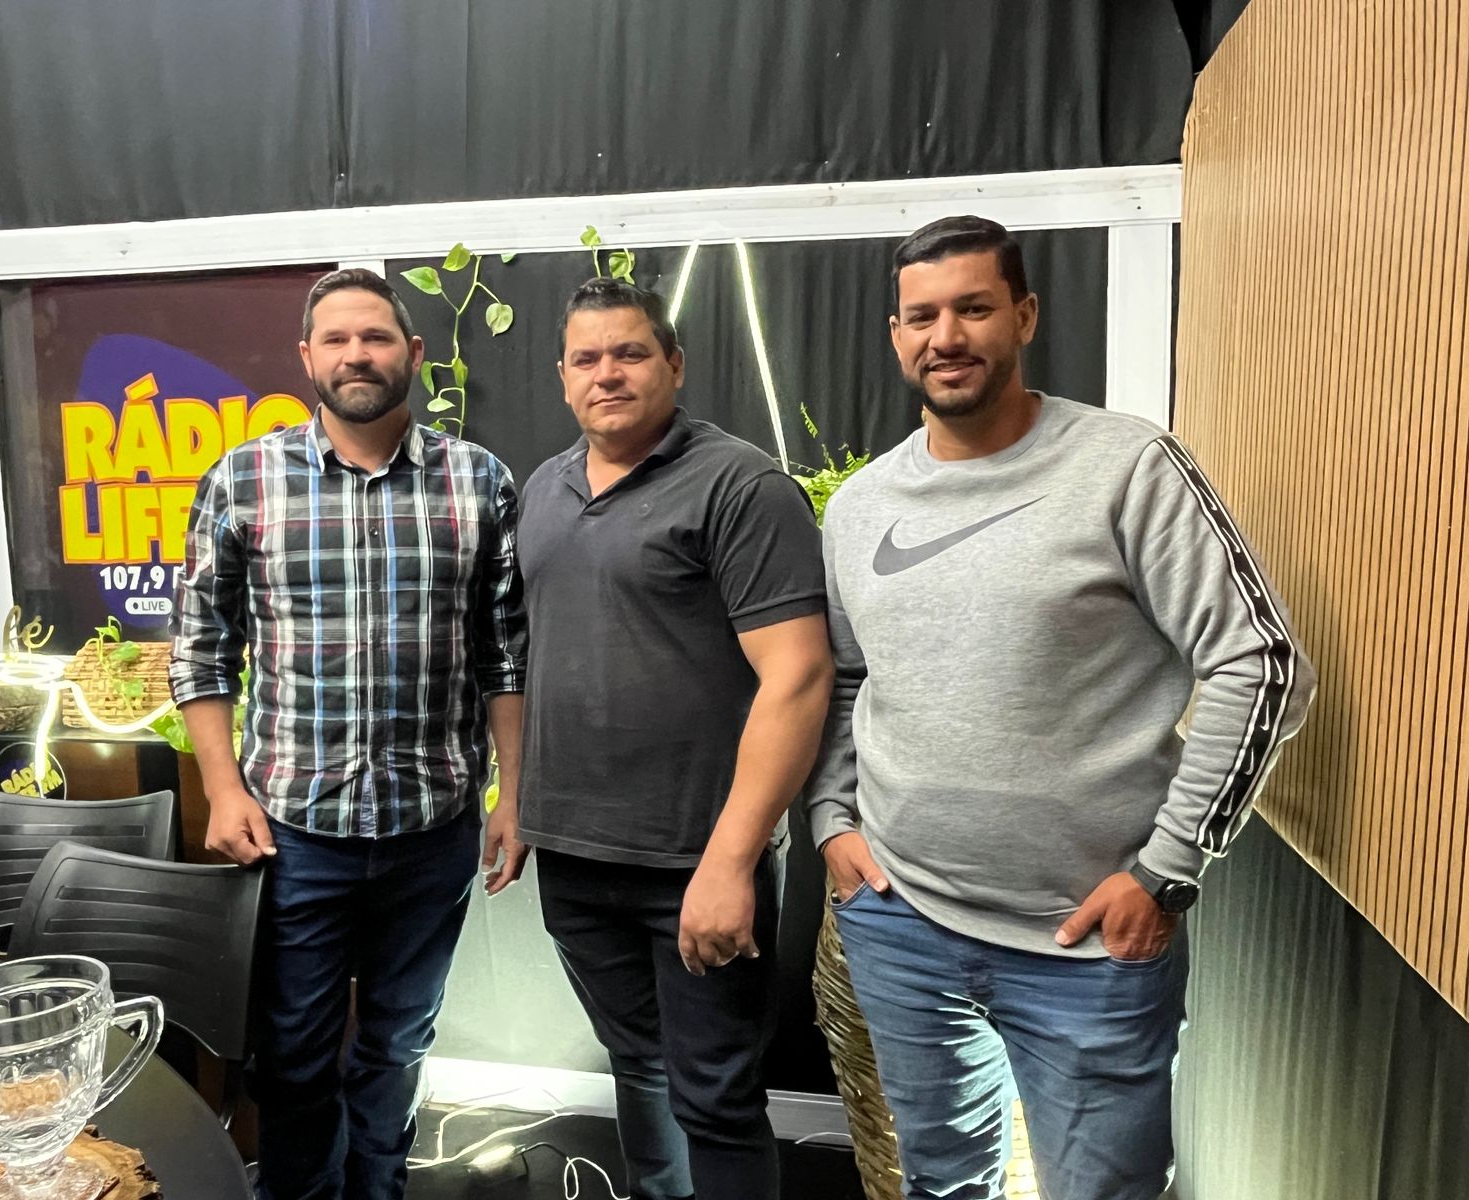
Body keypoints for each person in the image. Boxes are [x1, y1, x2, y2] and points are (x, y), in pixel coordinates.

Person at [806, 216, 1316, 1200]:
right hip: (901, 925)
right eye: (922, 316)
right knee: (938, 1185)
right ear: (896, 334)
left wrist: (1165, 873)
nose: (946, 336)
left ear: (1026, 315)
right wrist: (832, 819)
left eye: (973, 308)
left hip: (1085, 947)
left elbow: (1261, 662)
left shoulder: (1128, 468)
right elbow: (852, 675)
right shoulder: (862, 506)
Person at [169, 267, 528, 1200]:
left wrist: (514, 796)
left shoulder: (478, 481)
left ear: (413, 353)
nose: (356, 355)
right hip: (294, 834)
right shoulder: (244, 480)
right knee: (292, 1054)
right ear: (307, 357)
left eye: (375, 337)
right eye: (336, 339)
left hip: (431, 831)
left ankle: (379, 1190)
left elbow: (506, 658)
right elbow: (200, 653)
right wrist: (223, 789)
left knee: (398, 1043)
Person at [516, 278, 835, 1200]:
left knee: (717, 1097)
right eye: (587, 359)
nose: (607, 374)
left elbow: (799, 676)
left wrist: (731, 862)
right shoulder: (545, 489)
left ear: (675, 364)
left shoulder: (741, 486)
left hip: (696, 861)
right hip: (575, 860)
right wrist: (518, 801)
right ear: (563, 377)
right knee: (639, 1069)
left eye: (630, 353)